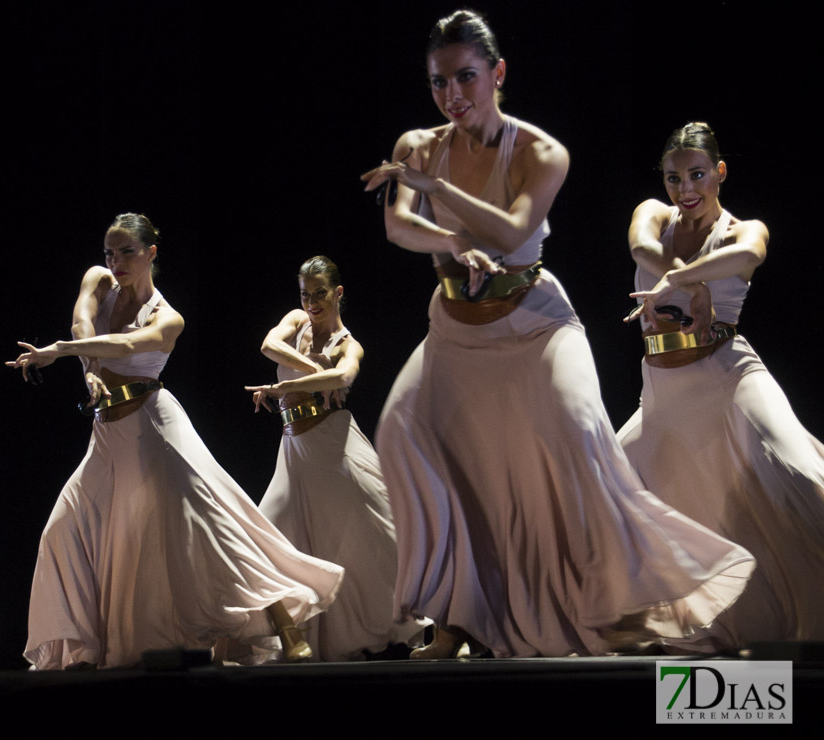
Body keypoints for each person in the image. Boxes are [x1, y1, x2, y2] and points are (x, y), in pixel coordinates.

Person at [359, 11, 754, 658]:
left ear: (498, 74)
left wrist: (439, 192)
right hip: (454, 329)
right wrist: (451, 236)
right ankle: (459, 619)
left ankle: (633, 607)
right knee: (405, 434)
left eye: (466, 78)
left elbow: (513, 232)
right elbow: (399, 226)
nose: (452, 96)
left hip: (534, 323)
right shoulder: (417, 145)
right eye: (438, 83)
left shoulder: (541, 152)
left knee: (579, 439)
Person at [11, 214, 343, 670]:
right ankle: (83, 649)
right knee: (64, 530)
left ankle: (284, 621)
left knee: (213, 526)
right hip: (107, 436)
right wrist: (86, 367)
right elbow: (82, 323)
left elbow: (128, 348)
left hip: (154, 429)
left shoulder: (169, 318)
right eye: (111, 252)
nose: (116, 261)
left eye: (127, 252)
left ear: (151, 253)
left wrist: (62, 354)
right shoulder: (99, 281)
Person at [618, 122, 824, 650]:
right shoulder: (655, 214)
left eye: (697, 176)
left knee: (796, 473)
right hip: (664, 393)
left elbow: (749, 257)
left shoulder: (741, 228)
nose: (685, 190)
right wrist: (684, 276)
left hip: (729, 378)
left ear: (719, 173)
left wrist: (684, 282)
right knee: (606, 492)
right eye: (674, 178)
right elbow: (641, 247)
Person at [245, 256, 424, 661]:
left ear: (338, 293)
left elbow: (343, 377)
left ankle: (440, 619)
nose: (312, 302)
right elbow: (268, 344)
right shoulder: (295, 321)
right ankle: (293, 637)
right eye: (306, 294)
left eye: (320, 294)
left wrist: (286, 386)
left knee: (384, 535)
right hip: (295, 451)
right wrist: (308, 368)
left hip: (335, 446)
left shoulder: (348, 343)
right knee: (264, 543)